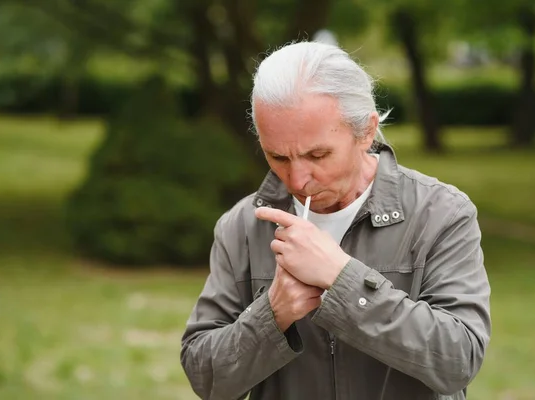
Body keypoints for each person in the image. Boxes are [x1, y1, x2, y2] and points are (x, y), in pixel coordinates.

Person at [180, 41, 491, 400]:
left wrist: (342, 280)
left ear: (366, 131)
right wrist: (272, 313)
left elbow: (458, 361)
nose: (297, 180)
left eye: (317, 154)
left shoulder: (441, 213)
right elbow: (206, 378)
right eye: (277, 156)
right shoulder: (242, 225)